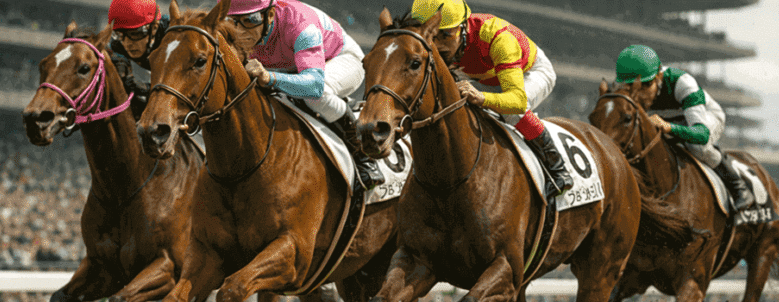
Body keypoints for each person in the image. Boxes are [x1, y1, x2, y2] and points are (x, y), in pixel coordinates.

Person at [411, 0, 573, 198]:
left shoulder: (499, 39)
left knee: (512, 113)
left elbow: (517, 101)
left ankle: (558, 168)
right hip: (484, 76)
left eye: (445, 34)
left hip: (529, 72)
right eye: (430, 35)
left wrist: (482, 97)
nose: (437, 44)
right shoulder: (445, 44)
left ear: (463, 27)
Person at [224, 0, 384, 190]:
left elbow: (314, 86)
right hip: (293, 66)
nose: (240, 31)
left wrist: (269, 78)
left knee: (315, 96)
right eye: (232, 20)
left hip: (339, 59)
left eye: (250, 20)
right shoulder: (233, 30)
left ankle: (363, 156)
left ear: (270, 15)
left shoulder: (299, 24)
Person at [614, 44, 755, 211]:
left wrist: (670, 128)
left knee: (697, 147)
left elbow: (701, 134)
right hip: (672, 122)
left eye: (646, 85)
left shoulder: (683, 83)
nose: (640, 95)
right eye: (632, 87)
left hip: (706, 119)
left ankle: (738, 186)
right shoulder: (625, 93)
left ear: (659, 76)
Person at [106, 0, 170, 120]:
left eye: (135, 34)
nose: (127, 43)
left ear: (154, 28)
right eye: (120, 34)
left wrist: (148, 88)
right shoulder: (117, 45)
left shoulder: (170, 37)